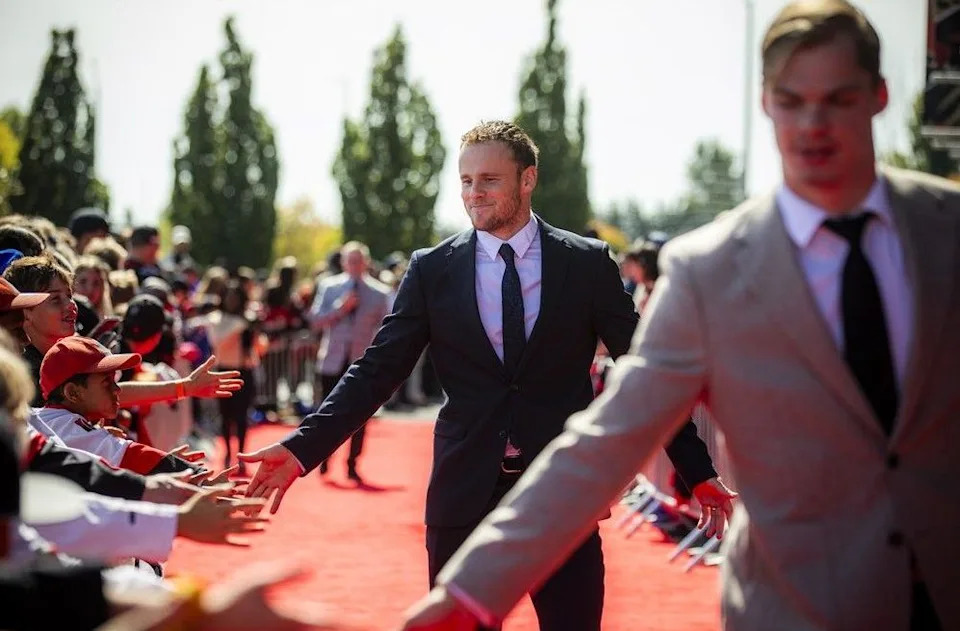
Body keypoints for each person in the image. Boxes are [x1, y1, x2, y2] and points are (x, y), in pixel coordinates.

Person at [399, 2, 958, 630]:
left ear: (879, 96)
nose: (814, 123)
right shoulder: (710, 268)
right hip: (797, 605)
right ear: (765, 102)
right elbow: (612, 434)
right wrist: (472, 592)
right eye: (792, 100)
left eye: (839, 98)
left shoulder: (947, 233)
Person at [242, 120, 728, 631]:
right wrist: (301, 448)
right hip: (463, 488)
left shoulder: (585, 264)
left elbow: (646, 373)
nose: (474, 194)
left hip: (560, 491)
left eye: (489, 180)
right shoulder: (432, 269)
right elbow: (377, 370)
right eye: (466, 181)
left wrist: (697, 471)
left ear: (527, 179)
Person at [308, 241, 390, 483]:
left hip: (361, 361)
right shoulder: (329, 287)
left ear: (366, 263)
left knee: (359, 415)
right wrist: (340, 309)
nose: (354, 265)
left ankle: (352, 463)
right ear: (343, 262)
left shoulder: (379, 293)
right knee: (326, 411)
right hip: (332, 360)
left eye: (358, 261)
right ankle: (324, 457)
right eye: (350, 261)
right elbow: (315, 321)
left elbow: (387, 327)